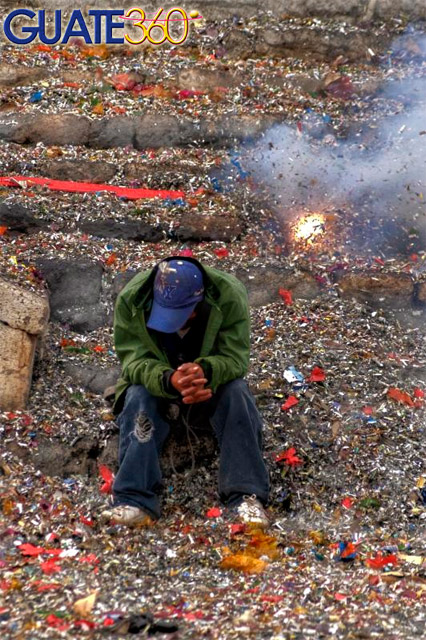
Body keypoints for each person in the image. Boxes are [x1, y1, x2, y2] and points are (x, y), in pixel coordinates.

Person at [101, 256, 270, 527]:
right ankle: (133, 499)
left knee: (238, 393)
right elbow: (132, 361)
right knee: (137, 395)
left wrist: (205, 373)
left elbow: (236, 359)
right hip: (159, 386)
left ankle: (245, 497)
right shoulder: (133, 299)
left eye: (182, 314)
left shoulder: (229, 295)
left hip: (209, 389)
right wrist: (168, 379)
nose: (175, 324)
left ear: (199, 301)